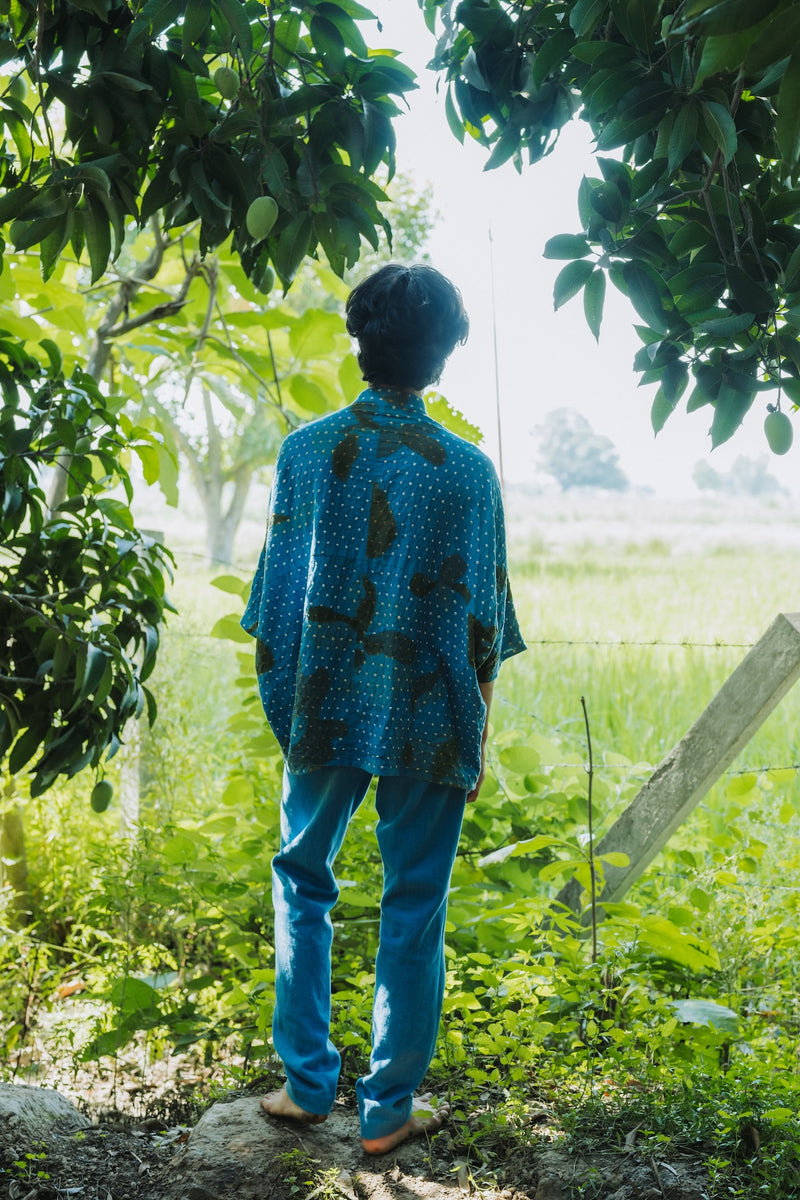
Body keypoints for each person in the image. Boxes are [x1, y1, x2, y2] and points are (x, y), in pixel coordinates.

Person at [241, 263, 526, 1154]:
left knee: (302, 880)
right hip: (433, 714)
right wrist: (473, 738)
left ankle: (304, 1085)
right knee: (415, 904)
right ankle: (388, 1110)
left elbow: (273, 606)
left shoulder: (306, 451)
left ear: (360, 341)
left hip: (323, 704)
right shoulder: (470, 474)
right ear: (442, 355)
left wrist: (292, 715)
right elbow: (484, 624)